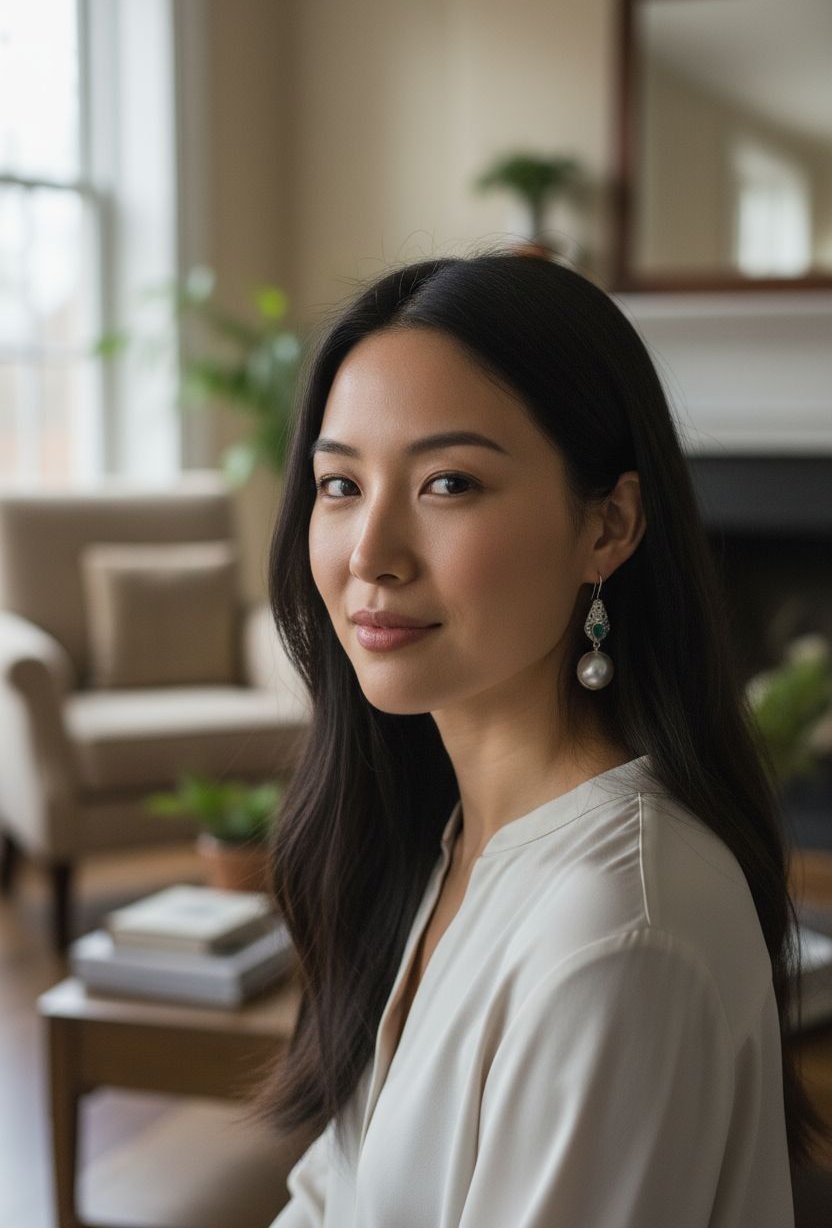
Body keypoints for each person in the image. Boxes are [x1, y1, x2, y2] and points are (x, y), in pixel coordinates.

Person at [257, 250, 827, 1227]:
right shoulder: (452, 839)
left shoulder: (615, 935)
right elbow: (330, 1194)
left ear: (607, 526)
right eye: (340, 484)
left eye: (447, 484)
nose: (370, 554)